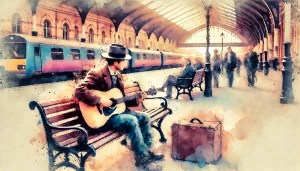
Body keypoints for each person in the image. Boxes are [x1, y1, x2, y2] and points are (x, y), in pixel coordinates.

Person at [75, 44, 164, 170]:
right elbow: (79, 90)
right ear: (116, 62)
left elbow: (121, 102)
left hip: (116, 113)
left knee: (144, 117)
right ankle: (143, 160)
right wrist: (100, 100)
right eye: (124, 61)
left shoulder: (117, 75)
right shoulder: (97, 74)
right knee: (131, 120)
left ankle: (147, 152)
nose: (126, 63)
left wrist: (138, 98)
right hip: (101, 119)